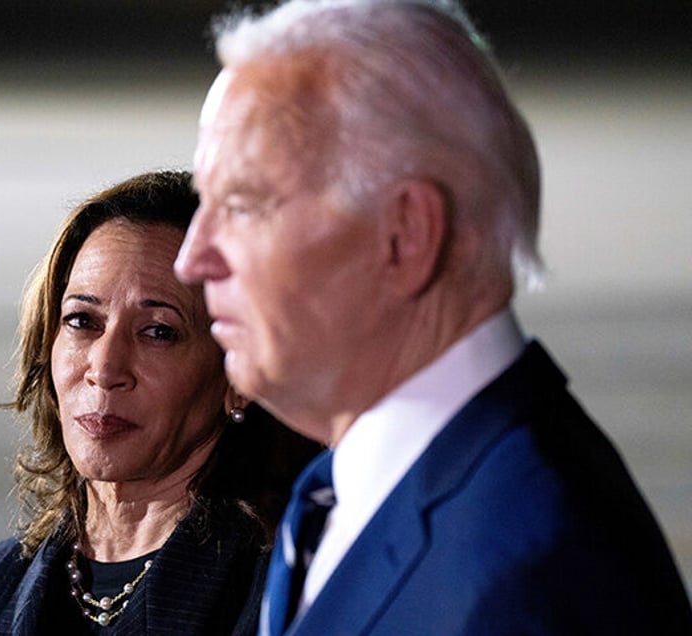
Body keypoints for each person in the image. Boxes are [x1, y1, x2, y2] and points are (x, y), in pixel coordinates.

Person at [174, 1, 692, 634]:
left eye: (244, 206)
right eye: (205, 204)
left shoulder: (528, 586)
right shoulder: (353, 482)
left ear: (406, 235)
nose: (191, 260)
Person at [0, 170, 320, 635]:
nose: (105, 368)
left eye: (159, 331)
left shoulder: (286, 593)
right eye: (82, 321)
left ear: (238, 373)